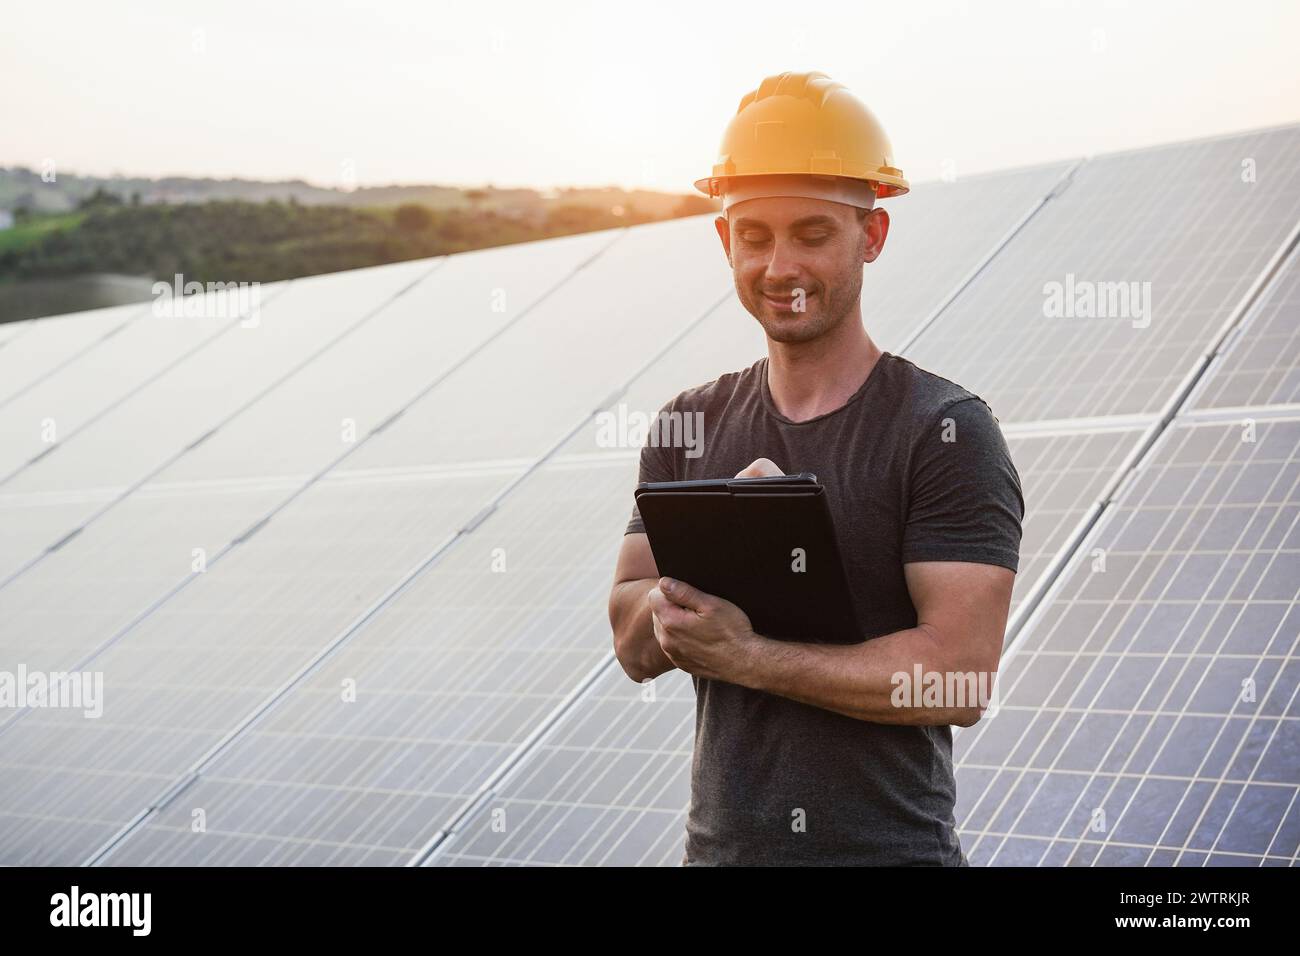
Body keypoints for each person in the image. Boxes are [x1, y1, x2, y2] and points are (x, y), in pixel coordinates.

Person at [607, 71, 1024, 865]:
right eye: (754, 236)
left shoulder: (944, 431)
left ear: (871, 237)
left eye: (813, 233)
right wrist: (716, 562)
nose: (780, 266)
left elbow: (958, 680)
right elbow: (632, 643)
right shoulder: (687, 426)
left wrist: (750, 657)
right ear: (725, 241)